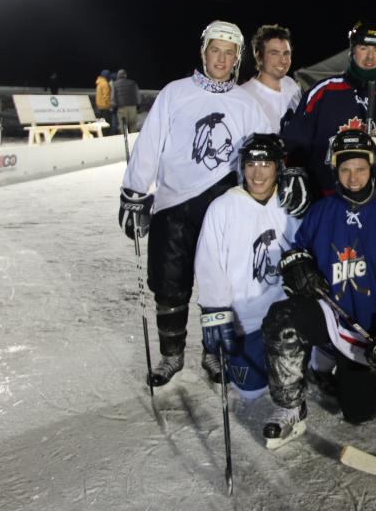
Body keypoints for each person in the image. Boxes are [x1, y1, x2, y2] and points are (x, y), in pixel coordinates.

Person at [118, 20, 288, 387]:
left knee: (221, 281)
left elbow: (268, 150)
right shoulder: (175, 93)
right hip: (173, 203)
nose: (222, 59)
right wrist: (134, 191)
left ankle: (213, 353)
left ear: (238, 58)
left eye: (230, 53)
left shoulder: (246, 102)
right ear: (203, 52)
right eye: (216, 50)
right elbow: (149, 143)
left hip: (221, 204)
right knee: (169, 281)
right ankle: (171, 355)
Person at [259, 129, 376, 447]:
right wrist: (298, 267)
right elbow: (297, 252)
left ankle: (345, 365)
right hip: (331, 312)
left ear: (372, 167)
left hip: (368, 327)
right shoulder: (322, 211)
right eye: (345, 169)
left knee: (359, 413)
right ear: (336, 169)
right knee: (282, 318)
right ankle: (289, 406)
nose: (353, 177)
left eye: (360, 168)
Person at [194, 134, 302, 398]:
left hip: (287, 314)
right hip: (247, 321)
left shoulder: (292, 203)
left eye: (266, 164)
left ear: (278, 167)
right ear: (242, 166)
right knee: (250, 390)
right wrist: (215, 308)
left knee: (308, 373)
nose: (257, 173)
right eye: (251, 164)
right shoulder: (222, 207)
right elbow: (209, 263)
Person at [282, 20, 376, 199]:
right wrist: (296, 175)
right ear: (352, 50)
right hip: (324, 202)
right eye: (364, 48)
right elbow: (293, 144)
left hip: (375, 206)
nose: (370, 57)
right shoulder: (323, 92)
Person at [241, 24, 302, 133]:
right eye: (274, 53)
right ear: (259, 57)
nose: (283, 60)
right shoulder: (244, 95)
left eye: (286, 53)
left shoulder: (291, 84)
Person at [112, 69, 140, 134]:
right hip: (132, 107)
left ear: (118, 75)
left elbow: (113, 97)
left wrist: (114, 106)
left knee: (123, 126)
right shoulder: (133, 83)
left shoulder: (115, 84)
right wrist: (138, 104)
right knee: (133, 126)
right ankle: (133, 141)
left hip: (121, 108)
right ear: (125, 75)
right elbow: (137, 94)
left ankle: (124, 141)